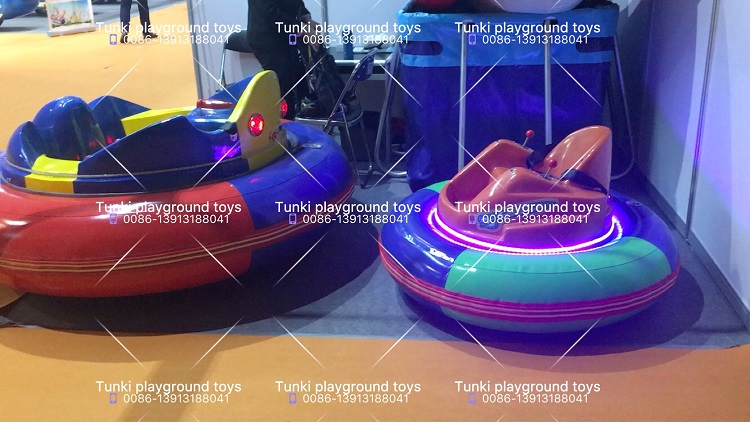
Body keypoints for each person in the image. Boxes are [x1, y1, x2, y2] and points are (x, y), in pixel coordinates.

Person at [246, 0, 319, 118]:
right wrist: (302, 28)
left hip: (285, 39)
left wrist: (306, 17)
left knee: (295, 85)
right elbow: (271, 13)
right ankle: (281, 125)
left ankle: (291, 122)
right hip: (268, 41)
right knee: (283, 90)